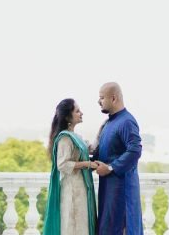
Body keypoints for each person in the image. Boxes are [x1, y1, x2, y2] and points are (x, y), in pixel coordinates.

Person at [93, 82, 143, 235]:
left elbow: (135, 149)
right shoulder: (109, 123)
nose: (98, 102)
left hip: (122, 190)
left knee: (122, 228)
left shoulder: (127, 121)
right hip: (109, 189)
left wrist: (109, 168)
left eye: (102, 98)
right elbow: (102, 152)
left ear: (113, 98)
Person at [43, 99, 99, 235]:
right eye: (77, 111)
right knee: (73, 226)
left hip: (80, 187)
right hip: (72, 190)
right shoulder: (65, 139)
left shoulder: (75, 136)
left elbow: (90, 149)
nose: (81, 113)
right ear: (68, 117)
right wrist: (88, 164)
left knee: (81, 225)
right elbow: (62, 164)